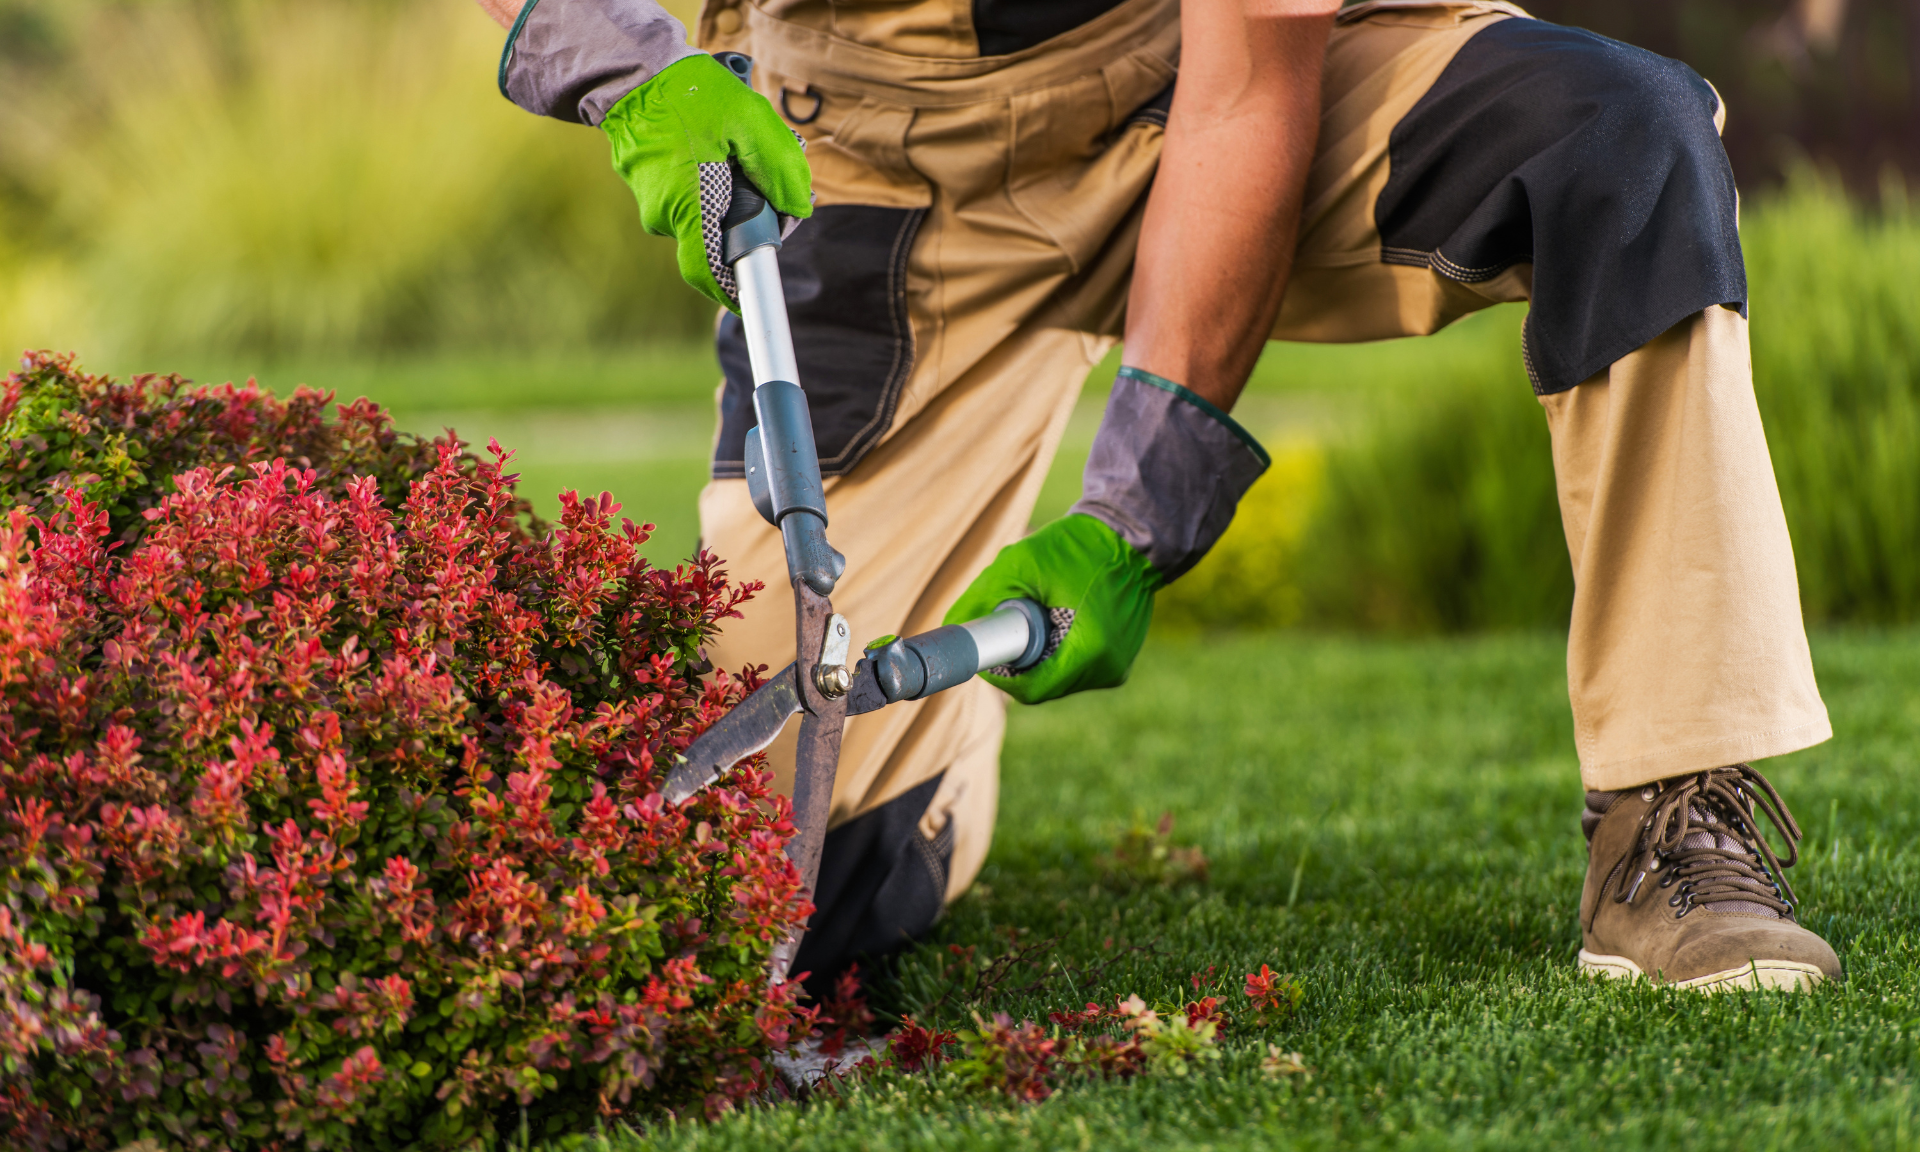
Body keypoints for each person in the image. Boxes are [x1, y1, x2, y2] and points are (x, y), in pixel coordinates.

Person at [478, 0, 1841, 996]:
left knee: (1621, 142)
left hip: (1194, 73)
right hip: (881, 157)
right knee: (786, 886)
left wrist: (1138, 512)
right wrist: (632, 70)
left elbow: (1248, 81)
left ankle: (1671, 816)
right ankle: (933, 763)